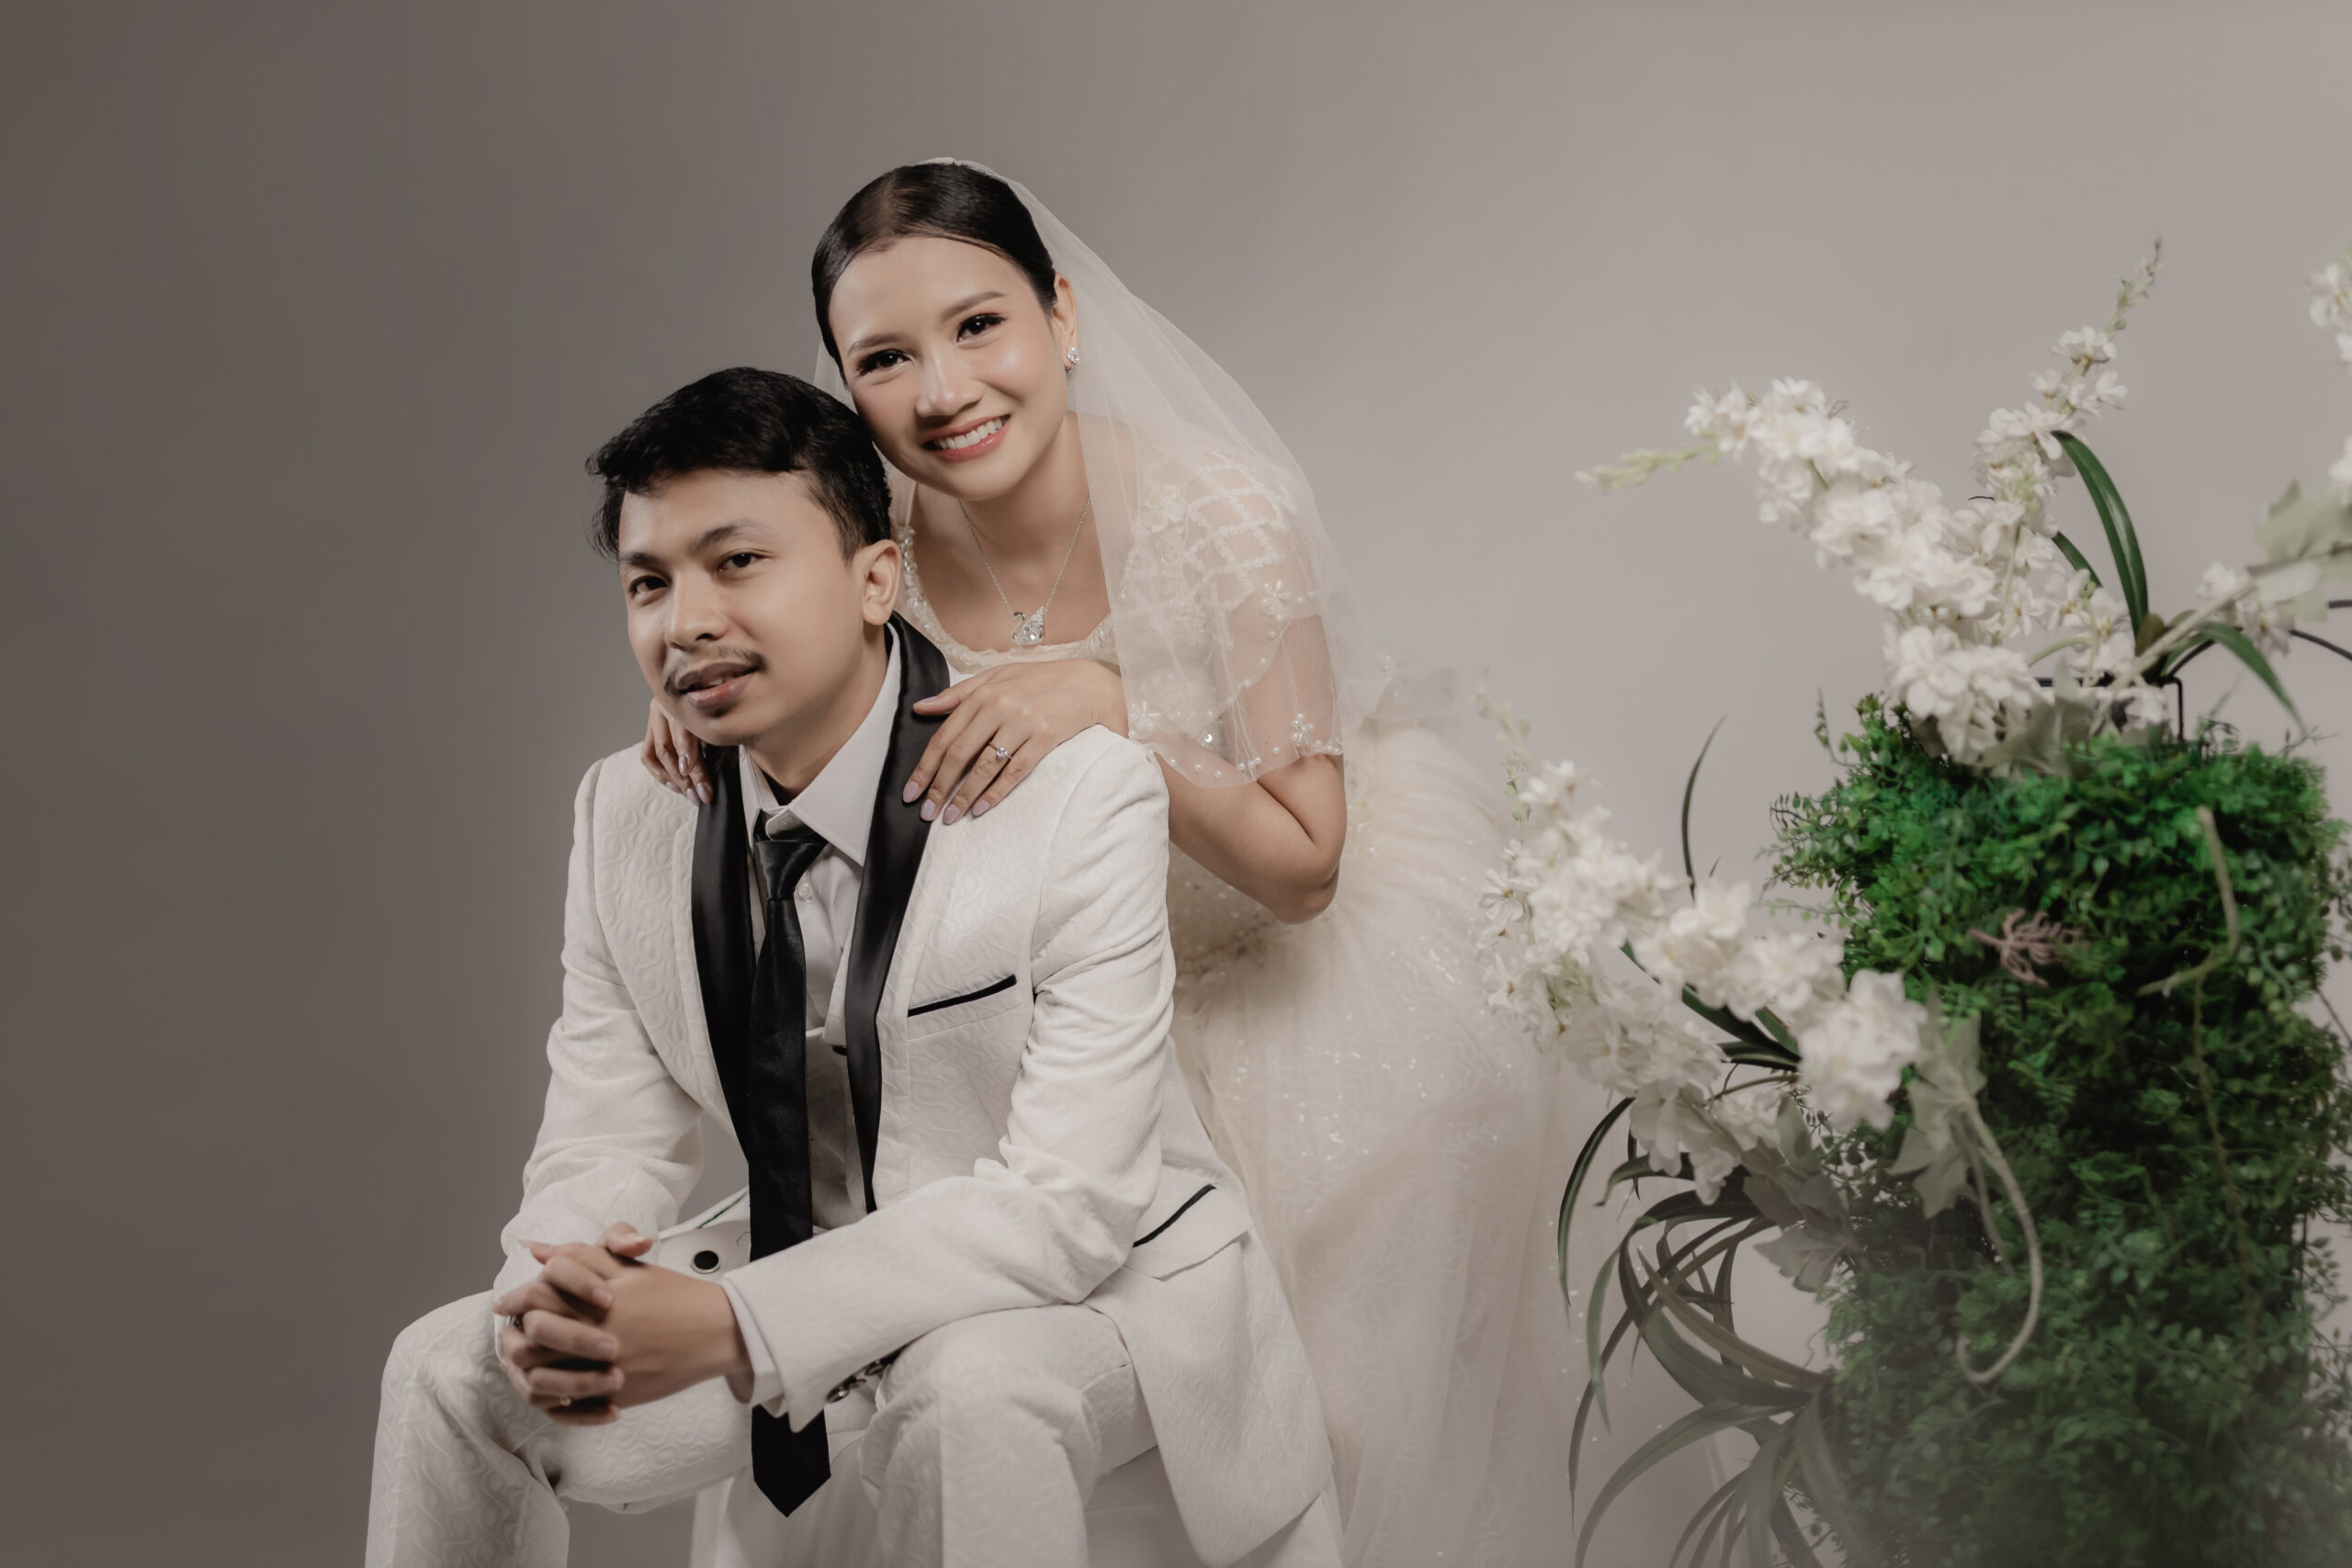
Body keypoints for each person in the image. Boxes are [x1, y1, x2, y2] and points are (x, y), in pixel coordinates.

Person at [641, 164, 1710, 1567]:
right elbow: (745, 623)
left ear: (1062, 315)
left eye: (980, 326)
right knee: (949, 1361)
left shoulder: (1218, 513)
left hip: (1266, 966)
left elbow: (1307, 867)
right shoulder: (870, 537)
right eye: (885, 359)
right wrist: (707, 690)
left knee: (1326, 1389)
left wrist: (1114, 710)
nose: (945, 390)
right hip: (1042, 1000)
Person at [368, 367, 1340, 1568]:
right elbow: (604, 1140)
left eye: (737, 563)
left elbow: (1067, 1208)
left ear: (877, 579)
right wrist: (555, 1288)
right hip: (808, 1266)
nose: (687, 622)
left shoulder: (1077, 791)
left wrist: (736, 1323)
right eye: (648, 583)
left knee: (970, 1389)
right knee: (447, 1370)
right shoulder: (627, 810)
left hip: (1099, 1285)